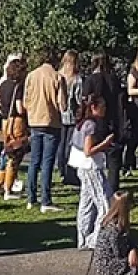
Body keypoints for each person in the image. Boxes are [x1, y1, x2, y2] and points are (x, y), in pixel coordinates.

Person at [23, 48, 67, 213]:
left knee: (34, 161)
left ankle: (31, 197)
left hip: (34, 120)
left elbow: (26, 101)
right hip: (51, 121)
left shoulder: (31, 76)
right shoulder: (57, 77)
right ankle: (46, 200)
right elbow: (62, 105)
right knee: (47, 162)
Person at [72, 94, 116, 249]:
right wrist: (105, 143)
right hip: (90, 167)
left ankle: (82, 238)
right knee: (105, 204)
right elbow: (88, 150)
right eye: (102, 107)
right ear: (93, 107)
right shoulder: (91, 125)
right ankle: (95, 239)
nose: (104, 110)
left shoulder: (81, 123)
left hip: (81, 167)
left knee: (86, 204)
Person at [87, 54, 126, 194]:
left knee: (95, 153)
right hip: (113, 118)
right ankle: (113, 187)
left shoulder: (91, 79)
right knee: (113, 155)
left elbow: (86, 99)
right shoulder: (114, 79)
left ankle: (95, 184)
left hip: (96, 119)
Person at [0, 57, 28, 201]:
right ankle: (8, 188)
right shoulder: (18, 87)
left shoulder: (4, 85)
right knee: (15, 155)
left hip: (5, 121)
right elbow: (20, 108)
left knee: (6, 152)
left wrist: (2, 111)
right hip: (17, 122)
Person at [56, 51, 84, 185]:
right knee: (69, 145)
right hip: (72, 116)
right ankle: (69, 172)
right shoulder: (77, 79)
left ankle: (62, 169)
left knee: (61, 145)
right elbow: (79, 99)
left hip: (58, 115)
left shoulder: (57, 75)